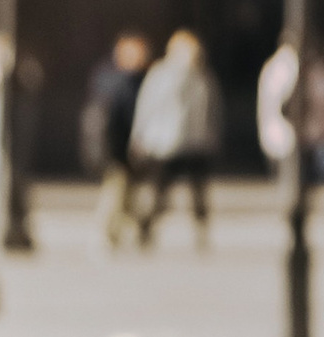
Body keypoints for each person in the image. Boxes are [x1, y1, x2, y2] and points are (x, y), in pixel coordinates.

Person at [128, 27, 221, 248]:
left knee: (197, 194)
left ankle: (200, 235)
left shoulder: (201, 76)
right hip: (167, 144)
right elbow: (147, 107)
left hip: (192, 144)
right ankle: (146, 230)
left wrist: (211, 136)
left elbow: (212, 110)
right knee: (161, 194)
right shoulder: (163, 75)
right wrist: (139, 137)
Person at [83, 32, 151, 249]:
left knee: (126, 193)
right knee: (115, 191)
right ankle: (107, 232)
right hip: (114, 148)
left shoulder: (136, 79)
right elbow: (112, 120)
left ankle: (127, 232)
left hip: (127, 147)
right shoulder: (115, 80)